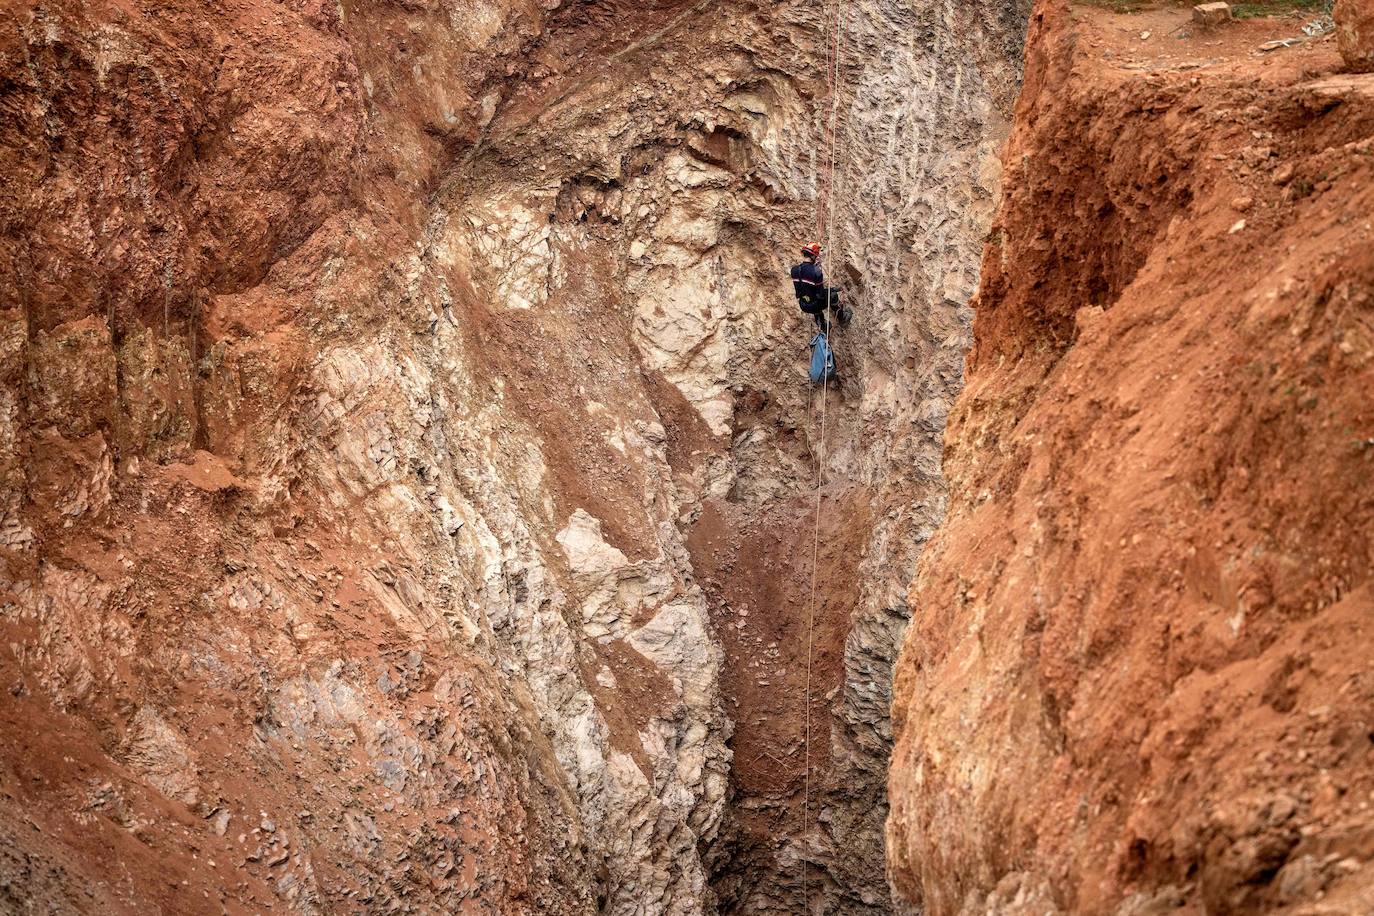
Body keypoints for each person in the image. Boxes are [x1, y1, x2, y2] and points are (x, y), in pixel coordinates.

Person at [790, 243, 848, 332]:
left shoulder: (794, 270)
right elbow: (820, 295)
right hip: (814, 305)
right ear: (814, 255)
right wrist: (833, 289)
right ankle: (842, 318)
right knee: (832, 295)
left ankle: (822, 325)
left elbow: (805, 288)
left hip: (803, 304)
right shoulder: (816, 271)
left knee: (812, 298)